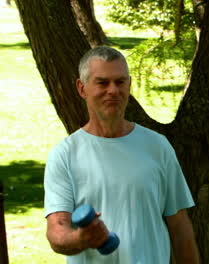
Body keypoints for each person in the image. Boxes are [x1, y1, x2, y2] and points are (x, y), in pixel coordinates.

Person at [44, 46, 200, 264]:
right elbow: (56, 231)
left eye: (120, 82)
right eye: (102, 82)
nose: (113, 91)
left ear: (129, 85)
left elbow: (179, 226)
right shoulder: (65, 155)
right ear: (82, 88)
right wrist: (82, 238)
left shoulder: (157, 146)